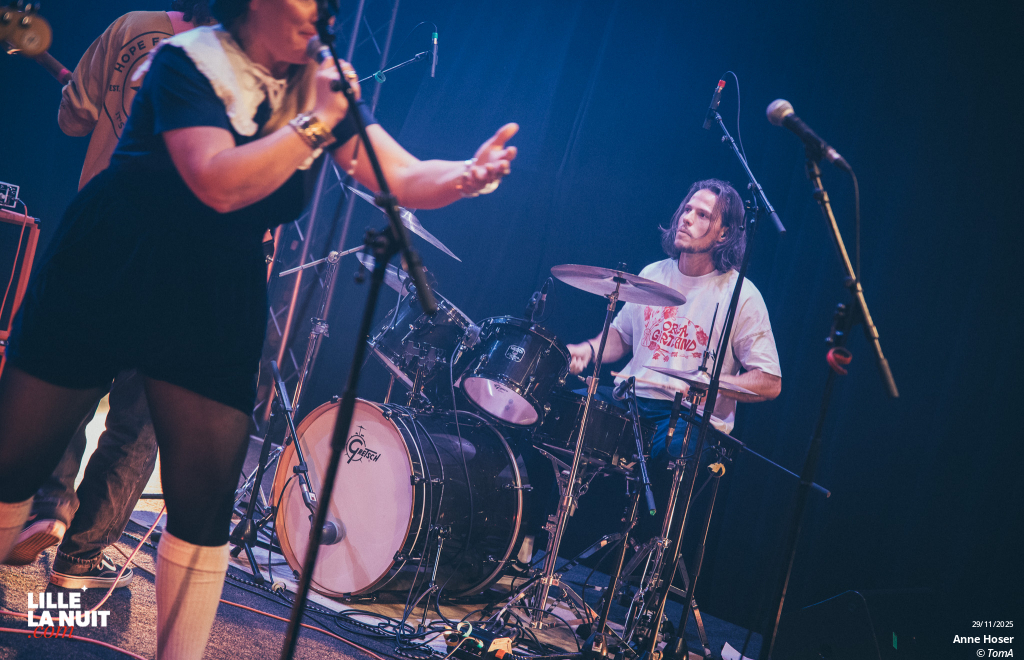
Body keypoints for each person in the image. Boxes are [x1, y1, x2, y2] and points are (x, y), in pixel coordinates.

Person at [0, 0, 518, 656]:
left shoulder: (318, 83)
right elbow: (215, 180)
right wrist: (317, 119)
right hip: (113, 262)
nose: (324, 9)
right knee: (12, 465)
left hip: (212, 289)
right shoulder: (185, 61)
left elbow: (399, 172)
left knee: (203, 506)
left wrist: (466, 177)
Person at [4, 2, 216, 592]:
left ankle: (45, 505)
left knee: (64, 382)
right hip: (186, 256)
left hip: (104, 230)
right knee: (139, 417)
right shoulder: (247, 60)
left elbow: (75, 120)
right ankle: (81, 556)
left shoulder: (132, 27)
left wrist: (96, 96)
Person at [565, 179, 781, 536]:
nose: (686, 218)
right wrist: (586, 350)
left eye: (702, 215)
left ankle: (648, 567)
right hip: (633, 400)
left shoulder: (740, 294)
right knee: (566, 412)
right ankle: (539, 540)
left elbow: (769, 382)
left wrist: (715, 385)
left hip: (689, 415)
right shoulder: (653, 275)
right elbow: (622, 336)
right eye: (687, 209)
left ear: (725, 234)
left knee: (671, 452)